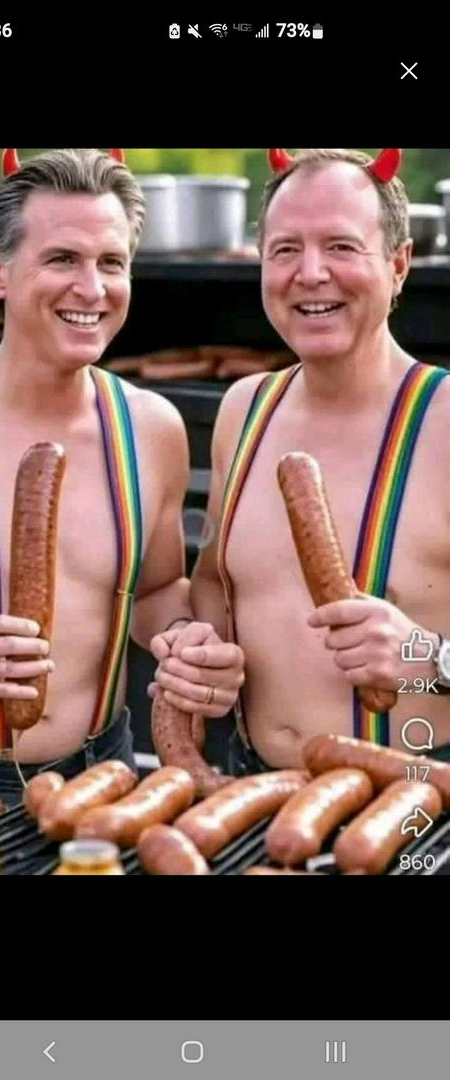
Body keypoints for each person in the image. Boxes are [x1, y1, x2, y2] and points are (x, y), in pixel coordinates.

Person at [0, 147, 244, 807]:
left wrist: (187, 642)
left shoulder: (151, 427)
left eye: (111, 262)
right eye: (62, 259)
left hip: (102, 777)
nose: (91, 288)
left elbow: (155, 590)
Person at [156, 146, 450, 773]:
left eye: (341, 247)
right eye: (285, 249)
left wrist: (433, 658)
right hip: (253, 784)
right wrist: (197, 649)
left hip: (419, 793)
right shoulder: (243, 410)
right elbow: (213, 583)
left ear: (399, 264)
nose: (311, 273)